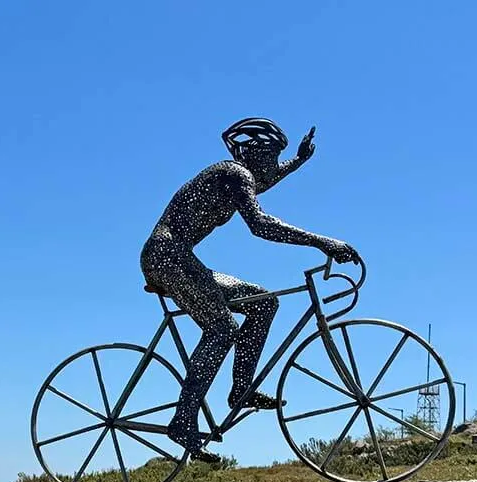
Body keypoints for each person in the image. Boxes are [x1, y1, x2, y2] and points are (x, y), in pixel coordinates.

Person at [140, 117, 363, 463]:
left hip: (180, 258)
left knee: (264, 302)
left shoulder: (238, 176)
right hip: (166, 256)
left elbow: (263, 182)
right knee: (222, 328)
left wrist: (298, 162)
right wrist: (323, 243)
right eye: (273, 155)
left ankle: (240, 390)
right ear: (255, 152)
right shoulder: (232, 174)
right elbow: (260, 224)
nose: (274, 163)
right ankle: (183, 420)